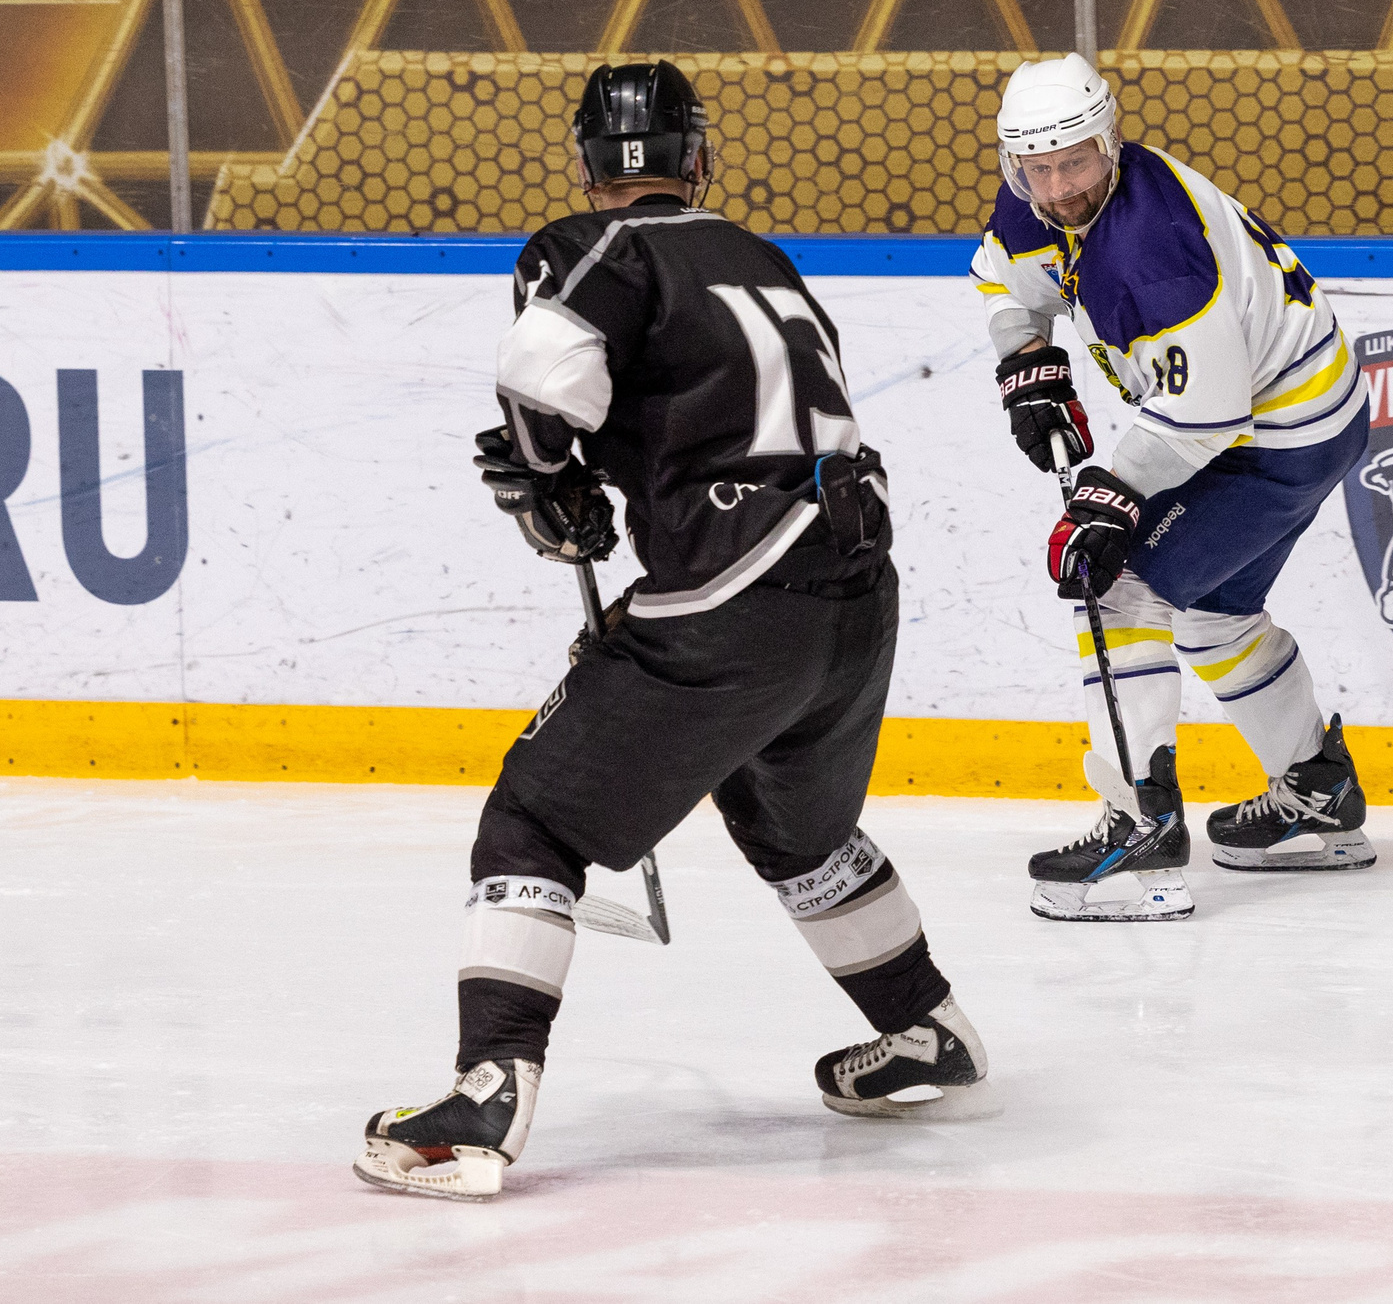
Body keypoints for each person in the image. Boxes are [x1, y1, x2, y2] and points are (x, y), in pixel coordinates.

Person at [355, 61, 987, 1202]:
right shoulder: (756, 255)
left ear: (592, 166)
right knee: (797, 833)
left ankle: (488, 1094)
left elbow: (543, 380)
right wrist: (583, 473)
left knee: (534, 819)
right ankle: (924, 1029)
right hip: (854, 592)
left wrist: (549, 480)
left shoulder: (598, 246)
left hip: (732, 598)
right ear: (699, 156)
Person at [970, 53, 1376, 923]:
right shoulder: (1039, 189)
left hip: (1275, 434)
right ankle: (1318, 794)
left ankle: (1139, 827)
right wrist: (1027, 359)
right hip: (1308, 418)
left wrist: (1110, 493)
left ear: (1108, 140)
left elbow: (1207, 412)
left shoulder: (1154, 249)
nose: (1058, 185)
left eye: (1074, 161)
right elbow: (1007, 278)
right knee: (1209, 611)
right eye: (1036, 168)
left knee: (1117, 583)